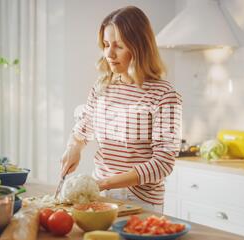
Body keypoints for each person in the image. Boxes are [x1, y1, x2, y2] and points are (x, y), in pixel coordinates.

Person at [60, 6, 182, 213]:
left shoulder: (164, 94)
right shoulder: (102, 87)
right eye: (106, 45)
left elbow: (163, 163)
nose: (109, 53)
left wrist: (103, 184)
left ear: (139, 47)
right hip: (100, 194)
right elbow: (83, 129)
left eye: (118, 46)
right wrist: (74, 148)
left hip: (140, 200)